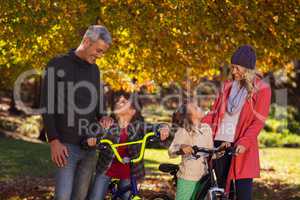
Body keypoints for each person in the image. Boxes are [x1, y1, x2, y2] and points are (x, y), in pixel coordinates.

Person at [41, 25, 113, 200]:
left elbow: (97, 101)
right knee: (63, 197)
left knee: (80, 197)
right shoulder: (57, 64)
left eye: (103, 52)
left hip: (90, 144)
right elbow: (46, 105)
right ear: (87, 41)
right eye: (98, 50)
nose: (100, 56)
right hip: (65, 146)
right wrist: (54, 141)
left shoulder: (95, 70)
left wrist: (103, 115)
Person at [202, 45, 272, 200]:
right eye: (232, 67)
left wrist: (245, 142)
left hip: (241, 146)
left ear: (247, 68)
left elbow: (257, 122)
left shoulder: (262, 89)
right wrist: (201, 126)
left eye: (236, 68)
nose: (233, 72)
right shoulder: (227, 87)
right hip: (220, 143)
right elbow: (213, 113)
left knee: (243, 193)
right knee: (221, 192)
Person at [85, 91, 170, 200]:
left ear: (132, 110)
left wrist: (163, 128)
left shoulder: (138, 127)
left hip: (129, 172)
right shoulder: (107, 125)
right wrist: (91, 141)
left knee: (128, 196)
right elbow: (90, 139)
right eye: (117, 101)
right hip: (107, 169)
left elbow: (155, 127)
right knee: (95, 197)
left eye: (123, 102)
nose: (117, 103)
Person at [168, 101, 213, 200]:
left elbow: (210, 152)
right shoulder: (184, 131)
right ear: (189, 116)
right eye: (196, 108)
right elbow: (171, 151)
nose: (199, 108)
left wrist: (220, 150)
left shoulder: (207, 129)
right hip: (188, 177)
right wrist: (181, 149)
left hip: (204, 177)